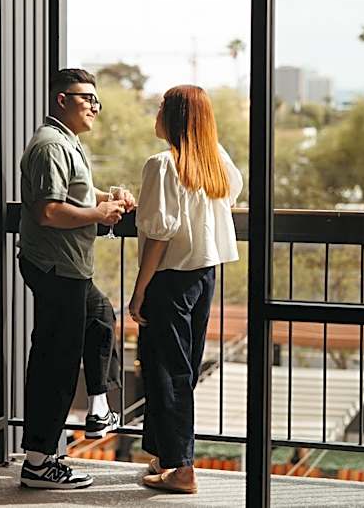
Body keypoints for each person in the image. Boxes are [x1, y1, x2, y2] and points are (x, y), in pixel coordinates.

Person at [18, 68, 136, 489]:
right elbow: (49, 211)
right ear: (61, 100)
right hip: (57, 269)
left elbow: (75, 195)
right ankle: (38, 462)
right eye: (87, 98)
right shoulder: (51, 146)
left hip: (70, 269)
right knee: (56, 363)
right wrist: (98, 214)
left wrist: (108, 198)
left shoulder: (68, 142)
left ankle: (99, 407)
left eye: (96, 100)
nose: (95, 107)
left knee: (101, 316)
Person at [129, 84, 242, 494]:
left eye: (162, 106)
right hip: (204, 275)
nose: (156, 112)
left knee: (165, 370)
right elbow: (231, 196)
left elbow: (160, 234)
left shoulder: (163, 165)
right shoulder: (216, 162)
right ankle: (167, 457)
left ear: (175, 116)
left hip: (170, 279)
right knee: (183, 368)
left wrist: (139, 289)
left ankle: (181, 468)